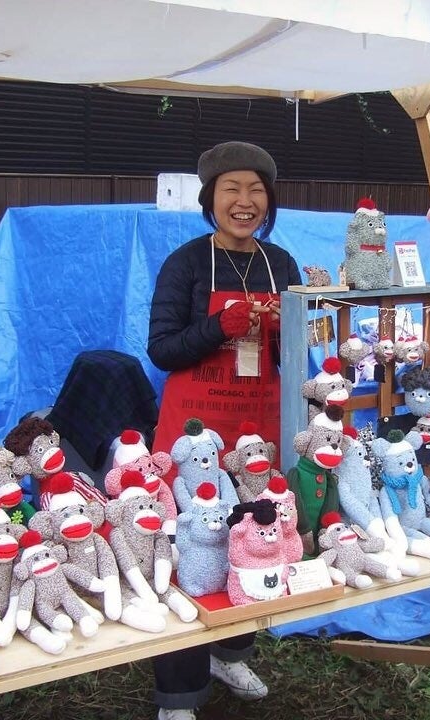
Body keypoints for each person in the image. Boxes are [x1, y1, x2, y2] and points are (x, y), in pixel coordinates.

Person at [146, 141, 301, 720]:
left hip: (257, 425)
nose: (245, 201)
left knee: (256, 535)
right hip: (194, 431)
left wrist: (287, 331)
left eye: (256, 190)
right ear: (210, 199)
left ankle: (230, 653)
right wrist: (218, 326)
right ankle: (178, 693)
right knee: (190, 546)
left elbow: (293, 357)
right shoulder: (186, 263)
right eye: (231, 189)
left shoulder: (280, 263)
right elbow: (161, 349)